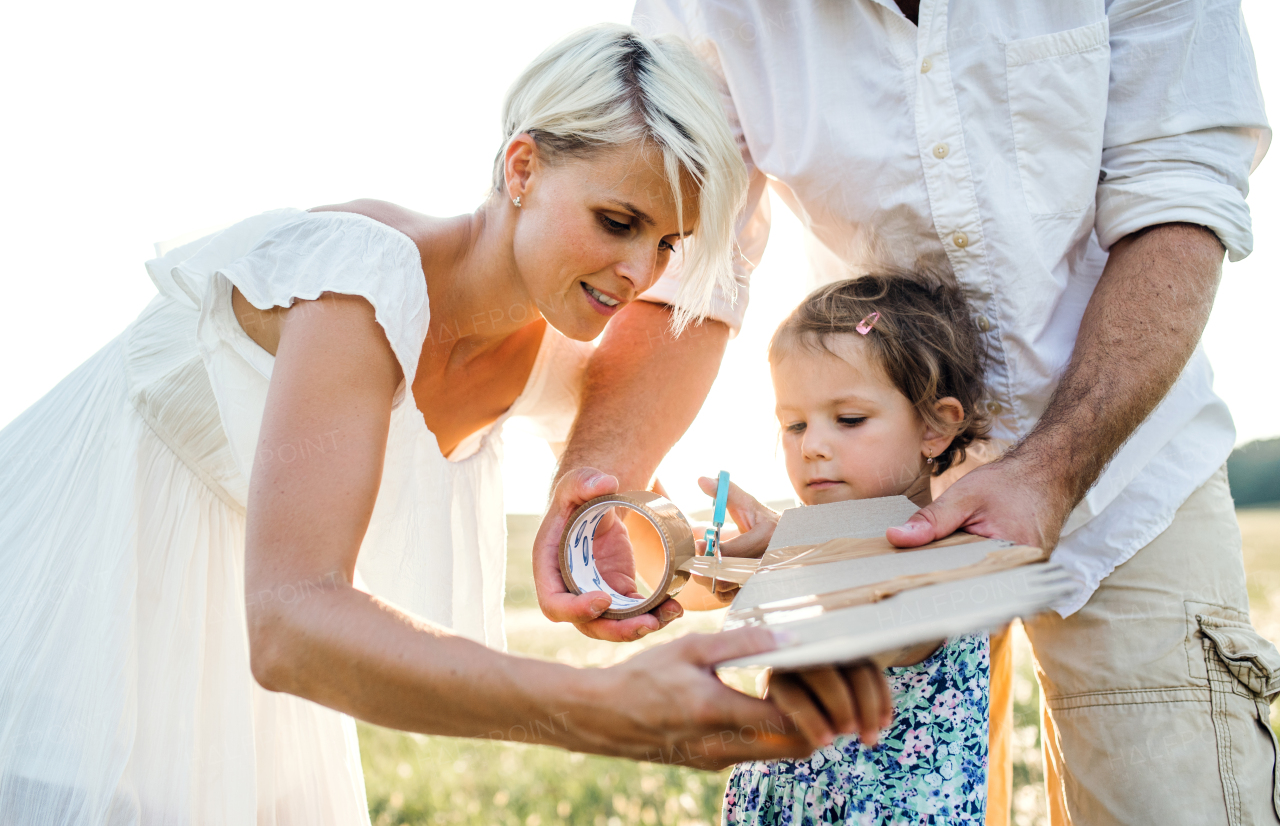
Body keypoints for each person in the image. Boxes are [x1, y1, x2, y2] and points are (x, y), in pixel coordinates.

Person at [0, 24, 872, 825]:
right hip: (72, 582)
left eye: (669, 245)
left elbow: (637, 521)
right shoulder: (359, 277)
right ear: (522, 167)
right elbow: (289, 619)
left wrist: (737, 569)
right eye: (619, 222)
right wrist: (599, 710)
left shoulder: (554, 354)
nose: (641, 273)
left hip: (231, 660)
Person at [534, 2, 1280, 824]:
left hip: (1131, 474)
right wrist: (603, 488)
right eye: (796, 428)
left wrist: (1052, 468)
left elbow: (1180, 193)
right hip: (887, 506)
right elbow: (691, 272)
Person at [717, 274, 995, 824]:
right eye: (793, 424)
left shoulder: (936, 556)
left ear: (935, 428)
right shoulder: (823, 541)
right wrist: (689, 557)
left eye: (848, 420)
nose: (813, 446)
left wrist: (791, 560)